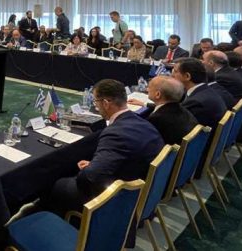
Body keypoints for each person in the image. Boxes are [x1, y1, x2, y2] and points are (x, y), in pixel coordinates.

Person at [45, 79, 163, 219]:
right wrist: (95, 164)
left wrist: (88, 169)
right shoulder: (144, 123)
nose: (96, 106)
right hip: (147, 192)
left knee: (59, 185)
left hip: (123, 200)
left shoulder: (114, 133)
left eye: (96, 102)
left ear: (106, 103)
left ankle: (65, 223)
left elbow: (90, 177)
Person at [130, 76, 198, 145]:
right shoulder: (182, 109)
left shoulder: (156, 119)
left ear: (158, 94)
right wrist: (144, 104)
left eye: (149, 87)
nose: (147, 89)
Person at [171, 58, 227, 131]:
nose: (172, 75)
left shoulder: (196, 102)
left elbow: (176, 126)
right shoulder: (206, 90)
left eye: (175, 71)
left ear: (187, 76)